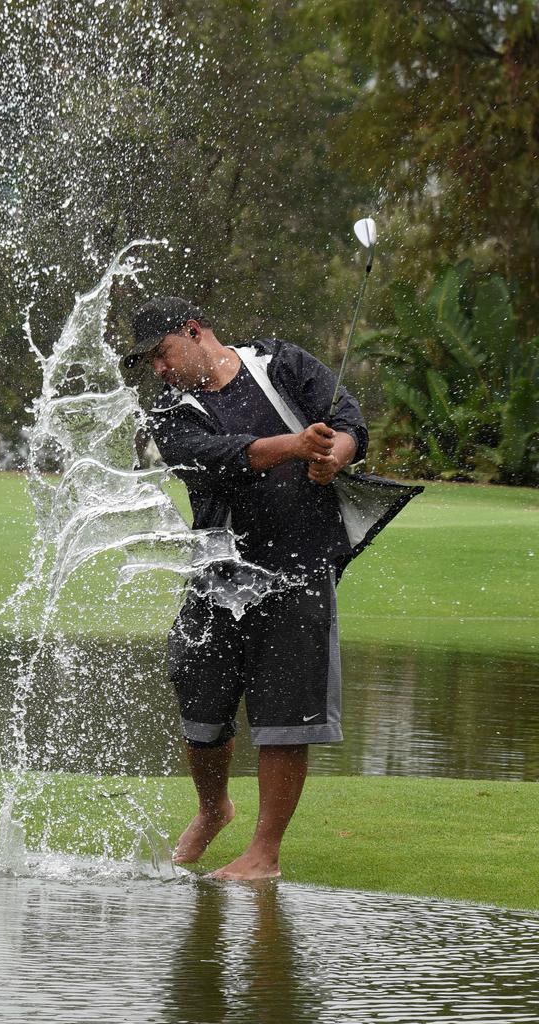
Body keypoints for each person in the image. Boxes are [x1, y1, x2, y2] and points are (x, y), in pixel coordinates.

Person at [125, 295, 422, 882]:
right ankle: (214, 811)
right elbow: (224, 459)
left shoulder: (280, 362)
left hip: (301, 565)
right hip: (218, 574)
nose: (157, 369)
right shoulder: (168, 415)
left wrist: (333, 455)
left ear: (193, 330)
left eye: (161, 354)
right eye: (150, 363)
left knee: (286, 715)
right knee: (199, 705)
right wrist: (300, 446)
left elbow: (350, 425)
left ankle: (265, 853)